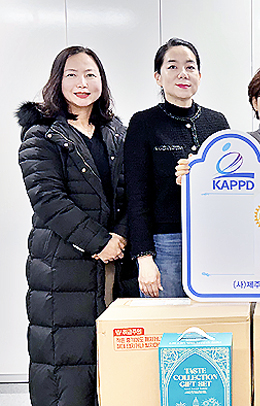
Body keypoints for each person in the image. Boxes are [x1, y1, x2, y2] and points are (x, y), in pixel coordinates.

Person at [17, 46, 127, 406]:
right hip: (62, 268)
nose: (82, 83)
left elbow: (130, 192)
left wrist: (120, 237)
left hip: (113, 266)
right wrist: (99, 242)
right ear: (57, 81)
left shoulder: (116, 132)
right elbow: (48, 200)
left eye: (90, 74)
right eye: (72, 74)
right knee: (64, 364)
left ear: (102, 81)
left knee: (112, 368)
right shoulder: (41, 135)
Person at [125, 38, 229, 298]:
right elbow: (136, 196)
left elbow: (229, 185)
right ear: (158, 77)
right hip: (166, 243)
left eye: (190, 67)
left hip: (212, 240)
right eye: (172, 67)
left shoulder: (217, 122)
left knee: (212, 319)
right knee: (167, 319)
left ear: (200, 76)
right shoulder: (143, 123)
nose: (183, 73)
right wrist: (144, 258)